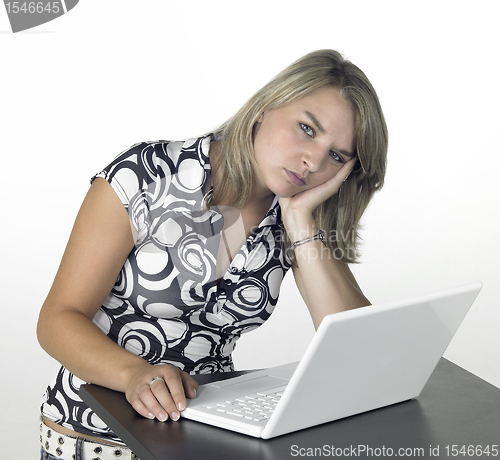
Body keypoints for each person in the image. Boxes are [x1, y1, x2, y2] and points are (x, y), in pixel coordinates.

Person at [37, 49, 388, 459]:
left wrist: (300, 223)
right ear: (267, 107)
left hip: (201, 442)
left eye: (337, 155)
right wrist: (135, 375)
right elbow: (57, 320)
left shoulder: (294, 217)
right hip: (95, 436)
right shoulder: (147, 175)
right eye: (307, 129)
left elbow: (358, 347)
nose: (312, 161)